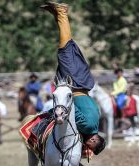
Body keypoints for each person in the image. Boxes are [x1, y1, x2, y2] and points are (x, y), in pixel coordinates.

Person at [40, 2, 105, 157]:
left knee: (68, 50)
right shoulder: (88, 127)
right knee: (65, 51)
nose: (86, 147)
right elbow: (71, 112)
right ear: (94, 141)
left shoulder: (95, 123)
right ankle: (62, 13)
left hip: (81, 83)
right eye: (89, 147)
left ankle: (58, 15)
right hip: (75, 83)